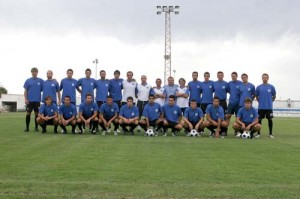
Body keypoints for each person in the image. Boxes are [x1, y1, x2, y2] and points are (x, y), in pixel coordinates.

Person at [255, 73, 276, 138]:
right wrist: (260, 101)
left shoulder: (271, 87)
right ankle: (258, 134)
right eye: (263, 77)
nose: (264, 78)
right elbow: (256, 96)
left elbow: (274, 96)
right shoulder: (259, 87)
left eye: (266, 77)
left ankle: (270, 134)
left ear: (268, 78)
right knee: (259, 120)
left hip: (269, 107)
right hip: (261, 107)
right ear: (262, 78)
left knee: (270, 120)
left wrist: (270, 101)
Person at [23, 67, 44, 132]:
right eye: (33, 72)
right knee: (28, 113)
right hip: (30, 100)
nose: (34, 73)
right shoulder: (28, 80)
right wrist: (26, 99)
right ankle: (27, 128)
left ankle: (36, 128)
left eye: (35, 72)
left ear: (37, 73)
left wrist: (53, 80)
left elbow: (46, 85)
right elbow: (25, 91)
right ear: (31, 73)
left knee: (37, 114)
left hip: (37, 100)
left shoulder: (41, 81)